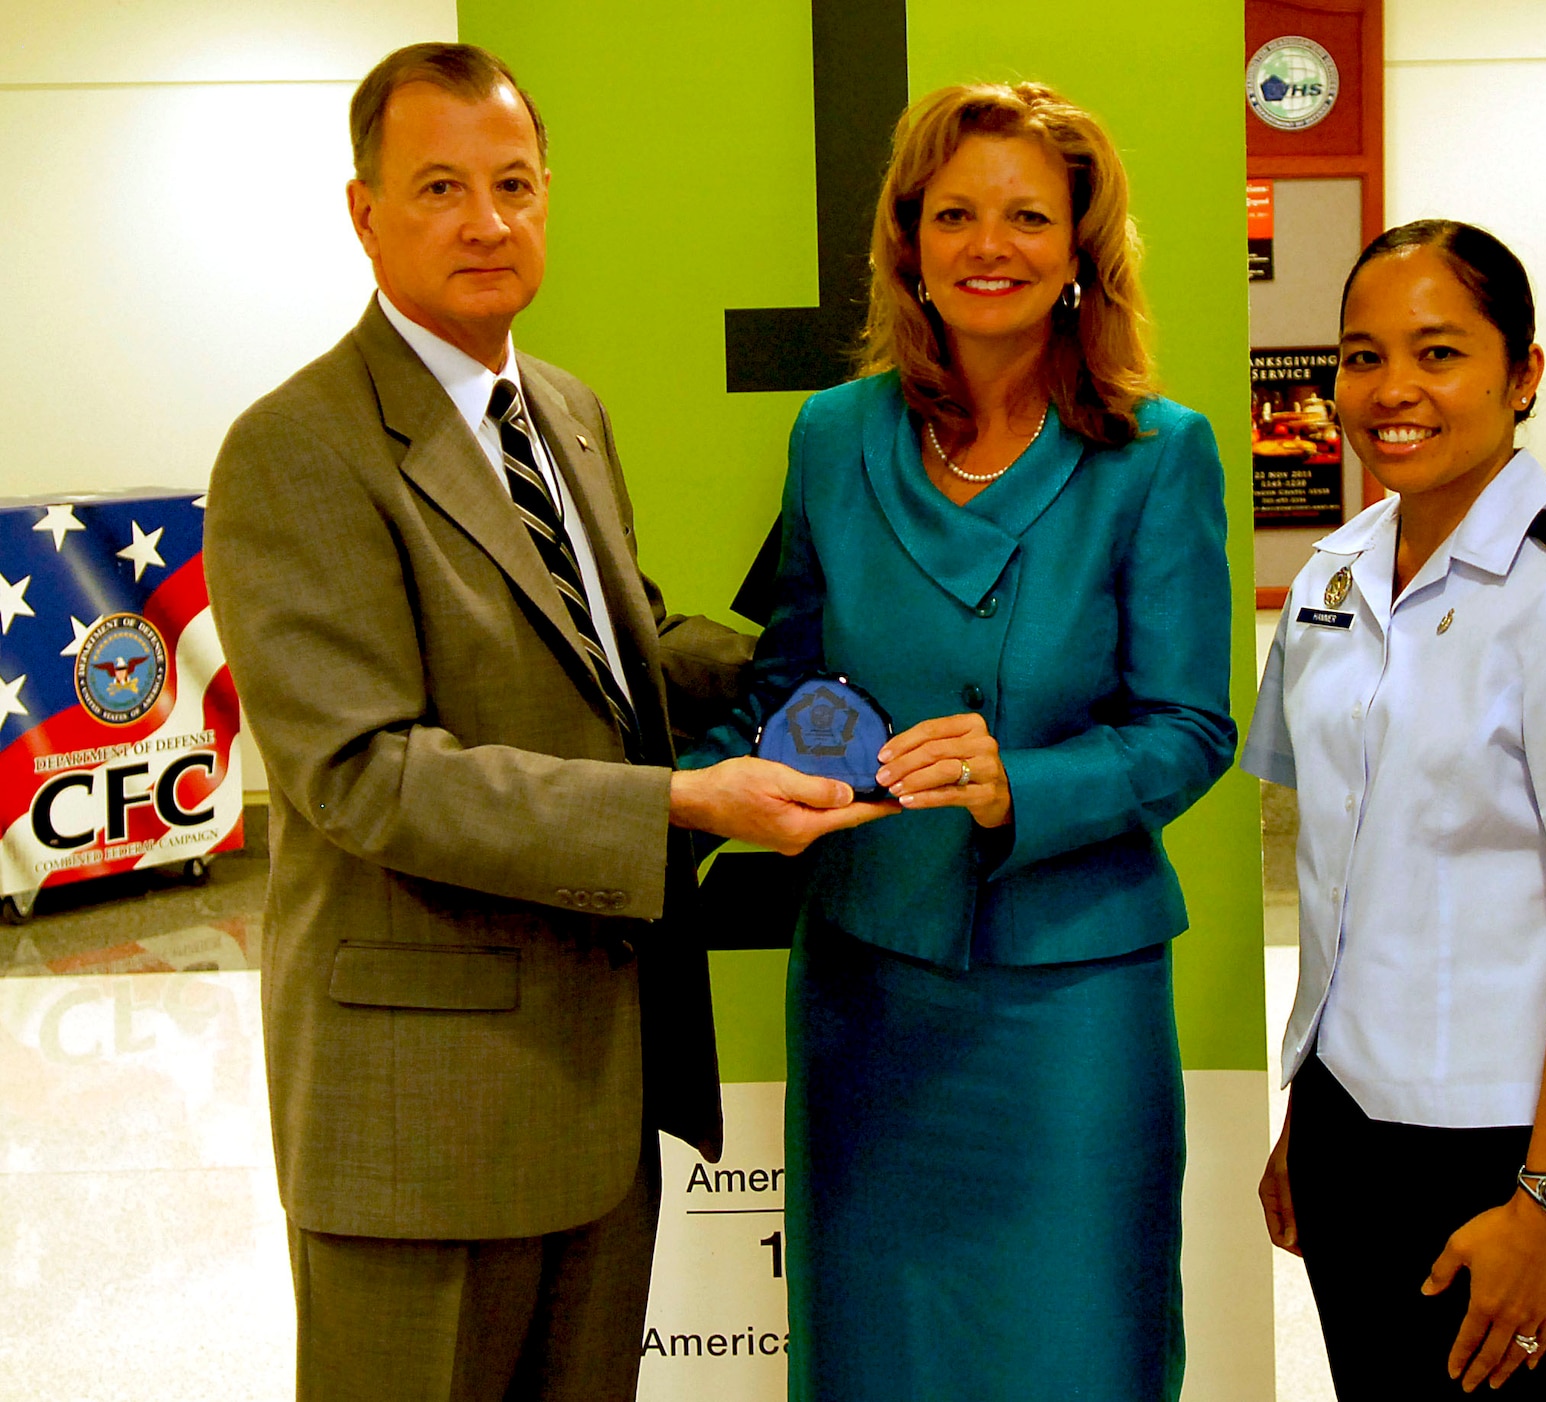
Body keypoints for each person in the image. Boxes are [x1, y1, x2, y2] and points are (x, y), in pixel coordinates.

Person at [204, 43, 886, 1402]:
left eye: (513, 183)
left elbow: (625, 649)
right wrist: (683, 803)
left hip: (594, 1085)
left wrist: (838, 672)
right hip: (417, 1118)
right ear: (364, 212)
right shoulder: (298, 448)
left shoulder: (561, 410)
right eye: (441, 186)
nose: (486, 220)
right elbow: (364, 775)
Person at [684, 82, 1236, 1400]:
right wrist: (701, 785)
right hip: (867, 988)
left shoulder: (1160, 456)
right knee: (877, 1353)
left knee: (1074, 1347)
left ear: (1080, 249)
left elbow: (1190, 728)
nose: (990, 244)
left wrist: (1018, 784)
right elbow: (802, 675)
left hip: (1070, 1003)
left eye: (1027, 216)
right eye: (957, 214)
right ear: (909, 241)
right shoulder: (833, 435)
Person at [1244, 220, 1546, 1399]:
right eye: (1359, 354)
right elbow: (1349, 880)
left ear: (1521, 372)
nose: (1390, 391)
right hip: (1352, 1133)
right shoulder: (1334, 577)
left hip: (1517, 1155)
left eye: (1437, 354)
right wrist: (1311, 1115)